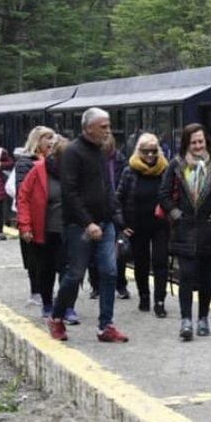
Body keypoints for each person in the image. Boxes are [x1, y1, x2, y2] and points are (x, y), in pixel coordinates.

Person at [46, 107, 128, 343]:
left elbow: (107, 186)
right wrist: (87, 223)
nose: (108, 131)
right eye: (104, 126)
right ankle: (57, 317)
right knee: (75, 274)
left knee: (110, 272)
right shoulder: (73, 152)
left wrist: (117, 215)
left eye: (109, 126)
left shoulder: (101, 151)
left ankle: (106, 326)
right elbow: (69, 192)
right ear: (89, 127)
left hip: (106, 222)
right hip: (79, 226)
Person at [160, 123, 211, 341]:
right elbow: (163, 194)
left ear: (206, 141)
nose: (198, 145)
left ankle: (203, 318)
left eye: (201, 141)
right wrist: (175, 214)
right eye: (194, 142)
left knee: (206, 277)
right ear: (187, 144)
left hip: (209, 230)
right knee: (187, 275)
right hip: (184, 229)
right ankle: (186, 321)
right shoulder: (176, 165)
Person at [115, 133, 170, 317]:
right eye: (145, 151)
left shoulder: (165, 170)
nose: (149, 155)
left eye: (153, 151)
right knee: (141, 263)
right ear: (139, 152)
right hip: (136, 224)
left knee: (161, 262)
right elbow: (118, 199)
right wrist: (122, 223)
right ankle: (144, 297)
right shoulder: (129, 171)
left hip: (160, 224)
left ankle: (160, 301)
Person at [17, 137, 68, 319]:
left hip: (69, 230)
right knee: (45, 269)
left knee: (68, 270)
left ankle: (67, 306)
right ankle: (47, 303)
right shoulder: (38, 170)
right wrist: (25, 226)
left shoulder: (75, 172)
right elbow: (22, 197)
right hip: (43, 230)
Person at [14, 126, 57, 307]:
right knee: (35, 257)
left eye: (53, 137)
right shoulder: (25, 162)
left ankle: (47, 290)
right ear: (37, 141)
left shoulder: (57, 161)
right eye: (47, 137)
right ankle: (36, 291)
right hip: (33, 218)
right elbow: (21, 192)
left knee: (52, 257)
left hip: (53, 218)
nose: (51, 141)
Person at [88, 134, 131, 300]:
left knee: (119, 251)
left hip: (117, 210)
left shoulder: (121, 161)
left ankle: (120, 284)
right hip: (96, 211)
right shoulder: (91, 162)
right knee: (93, 252)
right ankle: (96, 285)